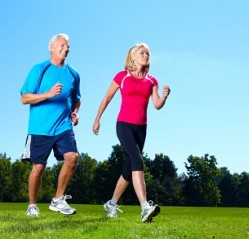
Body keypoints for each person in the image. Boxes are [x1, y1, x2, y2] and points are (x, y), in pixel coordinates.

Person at [92, 42, 170, 223]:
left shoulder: (152, 80)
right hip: (124, 125)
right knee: (137, 161)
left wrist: (165, 96)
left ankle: (111, 203)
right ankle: (145, 207)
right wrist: (97, 119)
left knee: (129, 170)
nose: (146, 56)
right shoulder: (122, 76)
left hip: (141, 129)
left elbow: (157, 105)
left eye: (148, 54)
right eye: (142, 53)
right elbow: (107, 97)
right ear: (132, 57)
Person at [20, 33, 81, 217]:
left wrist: (75, 113)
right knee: (38, 167)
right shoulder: (39, 69)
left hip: (63, 126)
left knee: (72, 158)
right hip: (40, 127)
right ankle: (32, 206)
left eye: (68, 46)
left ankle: (58, 199)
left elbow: (77, 100)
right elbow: (25, 98)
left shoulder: (73, 74)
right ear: (52, 47)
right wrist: (48, 94)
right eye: (62, 45)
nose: (66, 48)